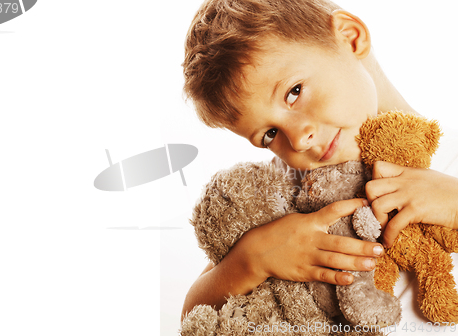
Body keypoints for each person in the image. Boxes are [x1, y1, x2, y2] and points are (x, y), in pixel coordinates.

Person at [180, 0, 458, 324]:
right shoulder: (290, 196)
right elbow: (193, 314)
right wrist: (253, 258)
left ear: (351, 37)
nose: (298, 140)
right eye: (270, 134)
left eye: (294, 92)